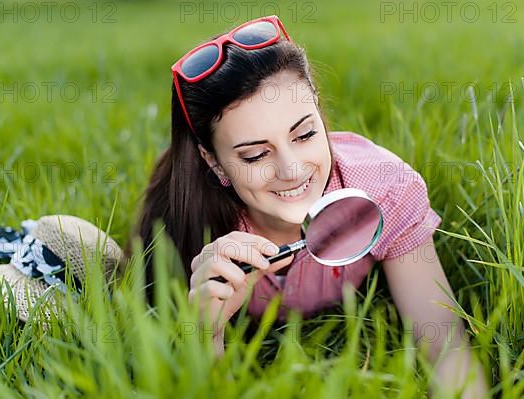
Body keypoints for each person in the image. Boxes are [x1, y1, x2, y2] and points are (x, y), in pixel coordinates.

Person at [128, 15, 489, 398]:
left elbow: (445, 346)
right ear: (213, 161)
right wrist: (207, 333)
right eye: (254, 155)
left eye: (305, 134)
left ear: (319, 110)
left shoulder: (385, 190)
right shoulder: (182, 217)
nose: (292, 170)